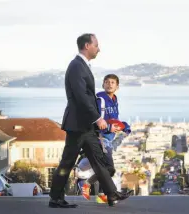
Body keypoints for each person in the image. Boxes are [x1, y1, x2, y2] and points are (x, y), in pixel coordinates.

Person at [48, 33, 130, 208]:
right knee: (67, 162)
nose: (98, 49)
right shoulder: (77, 66)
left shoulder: (82, 66)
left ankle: (111, 192)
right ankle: (55, 198)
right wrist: (98, 117)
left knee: (98, 160)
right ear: (87, 46)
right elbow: (81, 96)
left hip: (86, 126)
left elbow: (86, 96)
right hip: (78, 125)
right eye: (96, 45)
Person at [77, 74, 132, 204]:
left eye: (112, 82)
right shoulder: (100, 100)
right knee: (109, 168)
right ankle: (87, 183)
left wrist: (125, 126)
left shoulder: (114, 100)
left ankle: (107, 196)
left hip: (108, 138)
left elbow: (113, 120)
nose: (109, 84)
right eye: (106, 82)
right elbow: (94, 118)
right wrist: (108, 127)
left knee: (102, 167)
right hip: (100, 138)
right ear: (103, 85)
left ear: (117, 86)